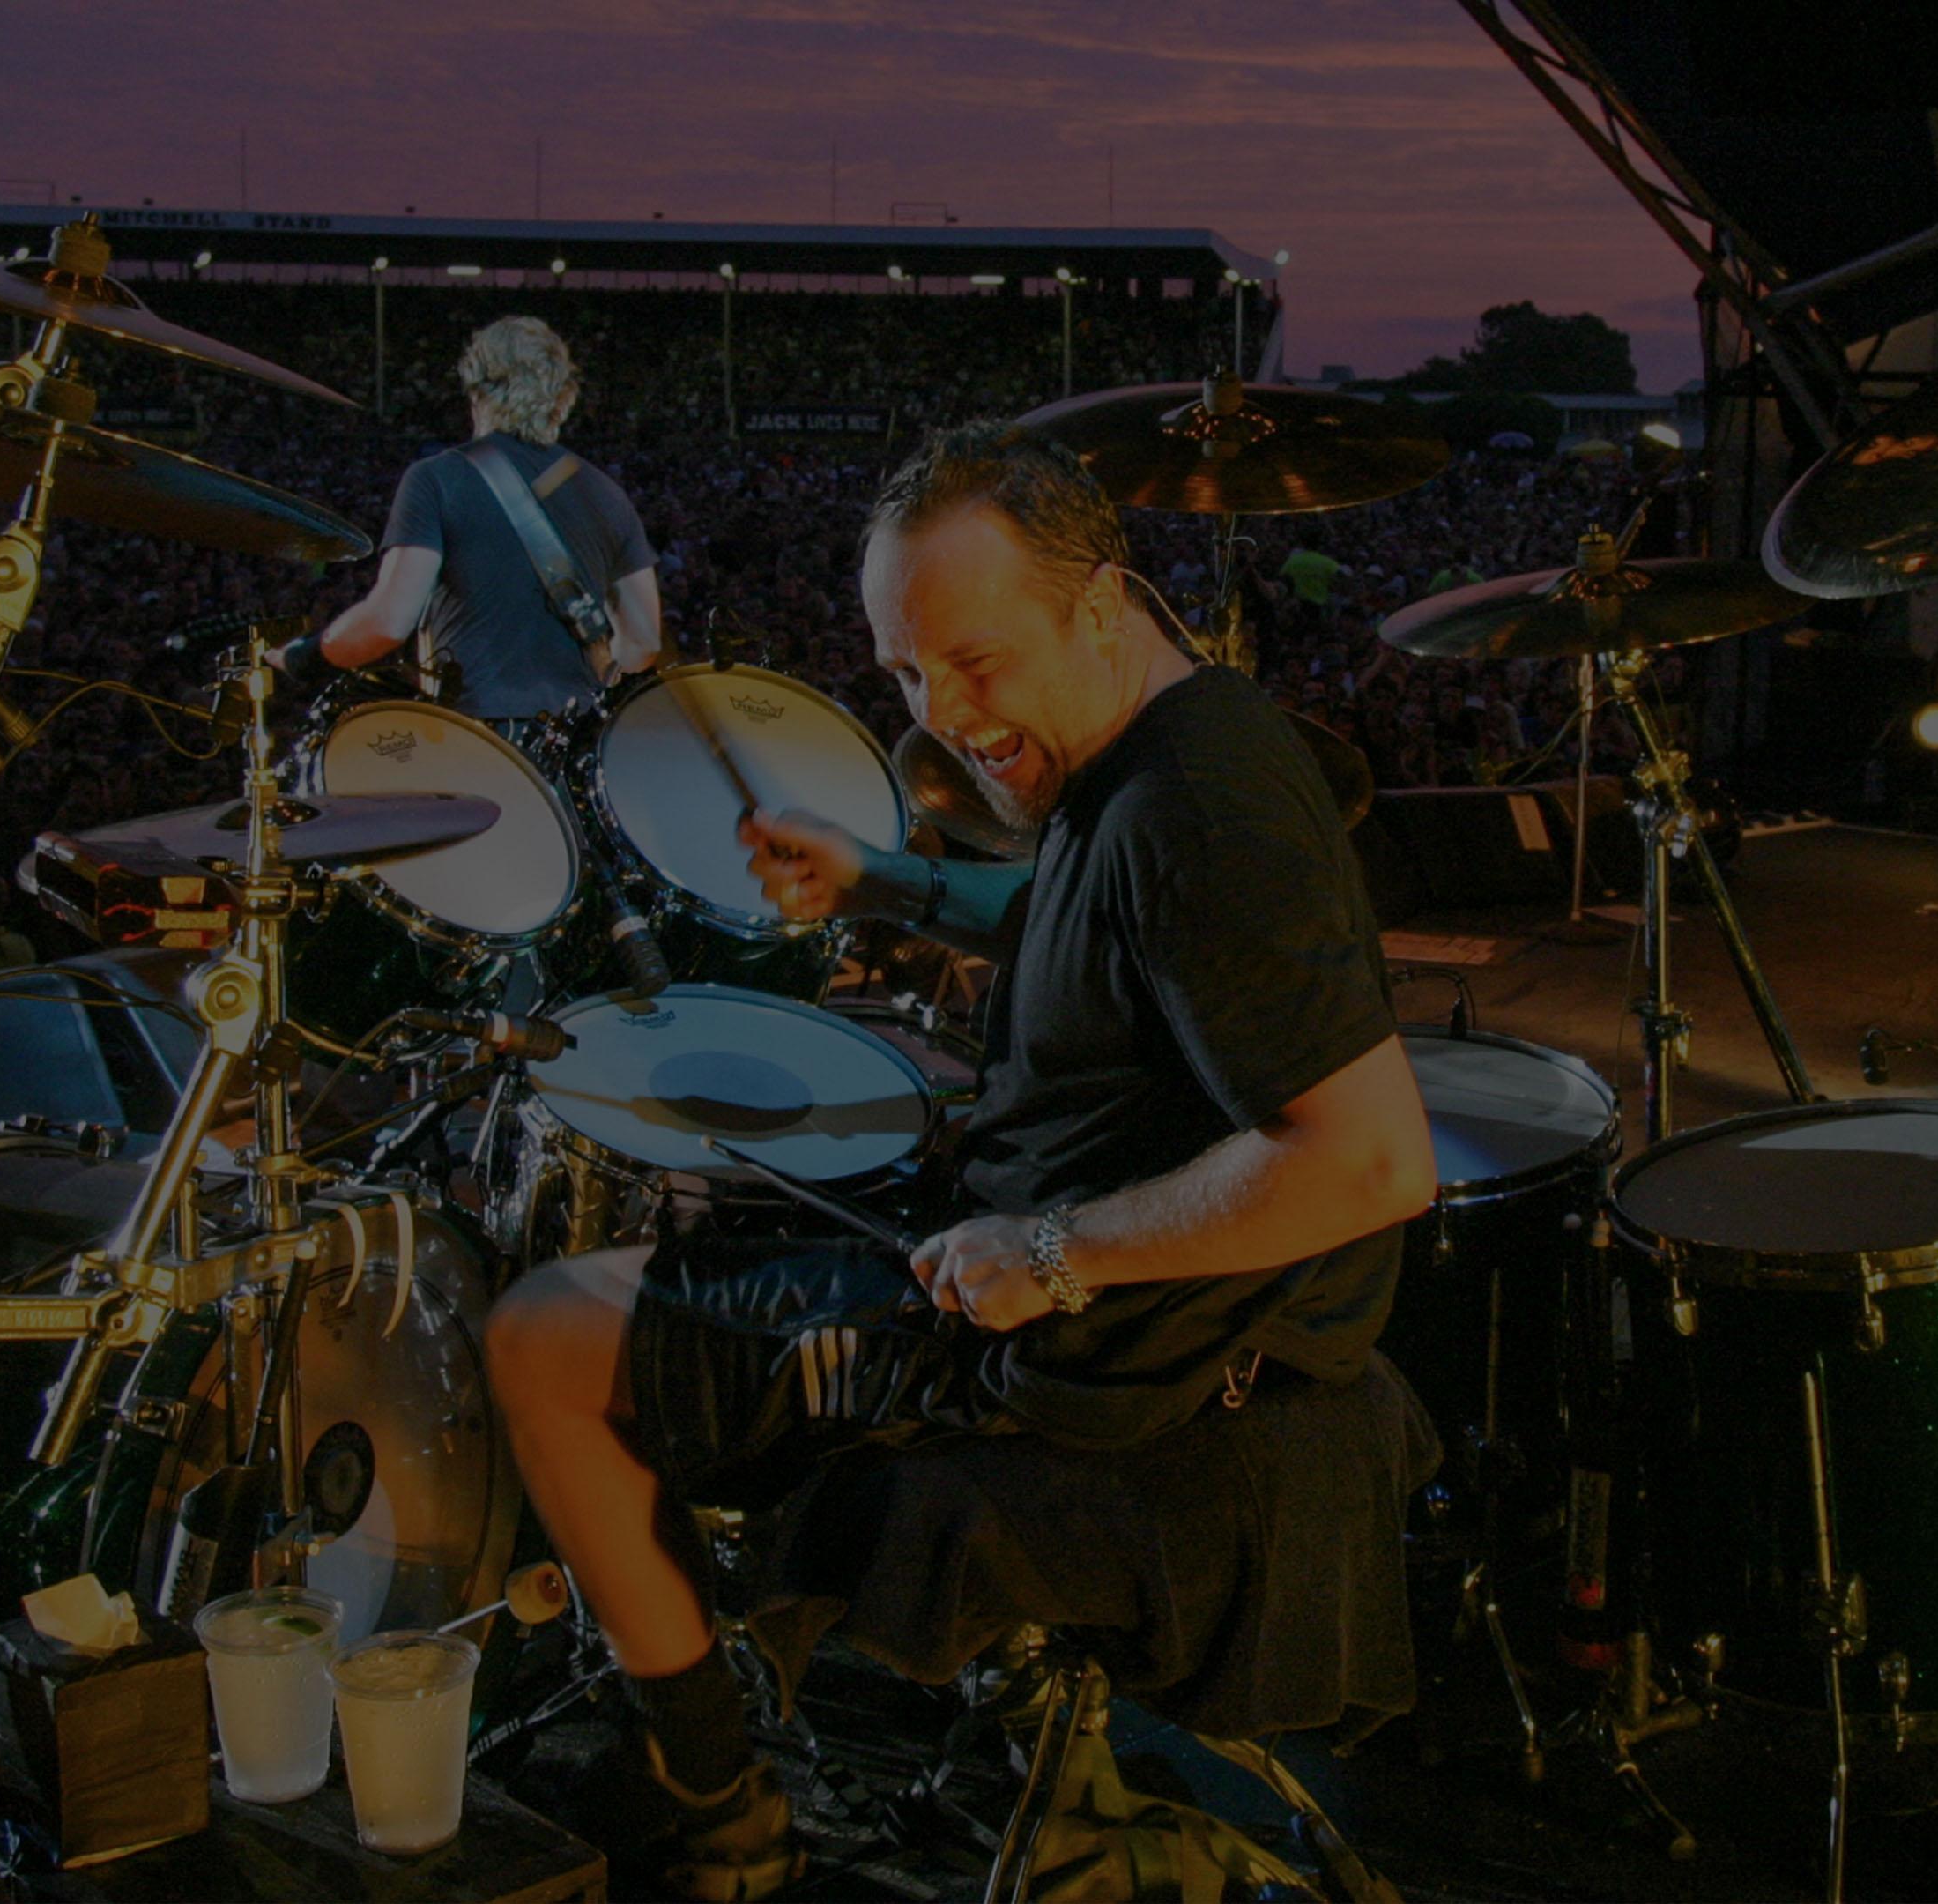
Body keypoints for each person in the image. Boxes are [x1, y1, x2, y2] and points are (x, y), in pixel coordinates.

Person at [480, 425, 1436, 1898]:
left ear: (1101, 606)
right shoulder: (1158, 745)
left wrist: (1058, 1252)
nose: (945, 714)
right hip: (1074, 1310)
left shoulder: (1205, 810)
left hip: (1090, 1372)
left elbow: (1372, 1163)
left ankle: (715, 1802)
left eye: (975, 663)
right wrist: (889, 883)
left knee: (546, 1336)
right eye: (907, 675)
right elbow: (1091, 921)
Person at [272, 316, 664, 722]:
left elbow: (388, 622)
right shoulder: (606, 493)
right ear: (562, 399)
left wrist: (304, 657)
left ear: (475, 390)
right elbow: (643, 642)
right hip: (574, 744)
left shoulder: (438, 478)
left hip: (476, 740)